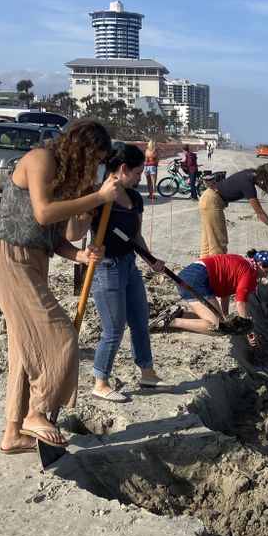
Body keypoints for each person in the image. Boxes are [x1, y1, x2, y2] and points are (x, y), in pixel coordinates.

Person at [0, 120, 121, 454]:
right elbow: (43, 214)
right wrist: (96, 195)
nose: (95, 166)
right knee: (60, 335)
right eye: (95, 158)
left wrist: (81, 254)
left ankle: (13, 434)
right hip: (9, 256)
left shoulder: (66, 181)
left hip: (35, 260)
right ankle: (36, 412)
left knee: (23, 350)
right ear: (82, 148)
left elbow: (61, 237)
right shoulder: (40, 159)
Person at [83, 143, 172, 401]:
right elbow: (73, 232)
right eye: (137, 172)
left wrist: (150, 260)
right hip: (107, 267)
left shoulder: (134, 198)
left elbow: (136, 236)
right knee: (114, 328)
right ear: (123, 169)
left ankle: (147, 372)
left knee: (140, 322)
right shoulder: (99, 196)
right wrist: (94, 201)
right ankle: (100, 381)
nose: (140, 177)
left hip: (129, 264)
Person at [151, 250, 268, 347]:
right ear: (259, 264)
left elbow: (226, 291)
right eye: (266, 272)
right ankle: (172, 322)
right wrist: (248, 330)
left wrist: (224, 316)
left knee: (220, 320)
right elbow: (240, 303)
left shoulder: (242, 261)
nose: (265, 275)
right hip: (196, 281)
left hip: (191, 273)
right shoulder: (250, 274)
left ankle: (180, 314)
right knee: (218, 329)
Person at [197, 163, 268, 257]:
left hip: (208, 198)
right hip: (212, 201)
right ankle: (216, 271)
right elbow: (260, 212)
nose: (265, 184)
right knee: (219, 242)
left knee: (208, 242)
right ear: (263, 177)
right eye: (267, 181)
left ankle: (202, 269)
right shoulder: (247, 184)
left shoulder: (250, 174)